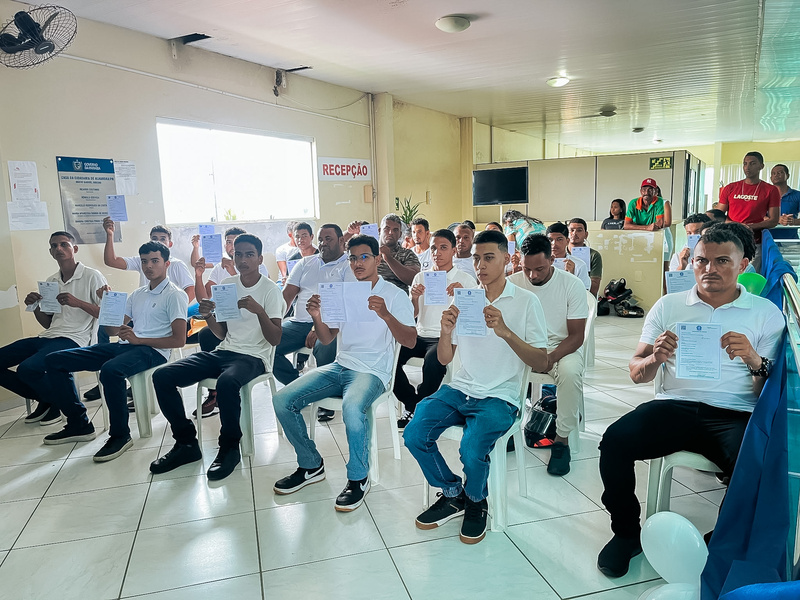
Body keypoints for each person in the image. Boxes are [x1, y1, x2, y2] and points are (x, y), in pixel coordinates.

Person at [595, 227, 784, 578]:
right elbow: (636, 373)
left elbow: (767, 392)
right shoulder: (669, 305)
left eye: (722, 261)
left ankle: (720, 543)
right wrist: (654, 358)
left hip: (734, 411)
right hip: (674, 405)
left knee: (756, 463)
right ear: (691, 262)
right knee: (615, 442)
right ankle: (626, 533)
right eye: (701, 260)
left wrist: (754, 360)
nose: (710, 269)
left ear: (743, 264)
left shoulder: (765, 313)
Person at [404, 230, 548, 544]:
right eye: (476, 258)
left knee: (471, 448)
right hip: (461, 388)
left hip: (500, 395)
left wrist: (505, 331)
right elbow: (445, 359)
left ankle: (476, 500)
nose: (480, 265)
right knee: (414, 433)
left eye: (488, 258)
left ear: (507, 259)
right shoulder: (465, 299)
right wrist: (445, 332)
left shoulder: (526, 301)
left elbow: (542, 361)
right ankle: (453, 493)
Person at [271, 234, 416, 511]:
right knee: (282, 400)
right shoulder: (345, 292)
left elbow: (409, 341)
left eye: (364, 257)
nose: (358, 263)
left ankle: (359, 478)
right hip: (341, 365)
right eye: (353, 258)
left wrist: (386, 315)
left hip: (372, 371)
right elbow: (327, 338)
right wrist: (316, 317)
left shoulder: (395, 295)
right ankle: (311, 465)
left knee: (352, 408)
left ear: (377, 259)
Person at [150, 234, 284, 480]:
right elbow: (221, 334)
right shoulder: (228, 285)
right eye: (238, 254)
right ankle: (186, 443)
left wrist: (259, 312)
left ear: (260, 259)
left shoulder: (270, 290)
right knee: (163, 375)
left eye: (249, 255)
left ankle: (229, 447)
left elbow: (275, 339)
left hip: (254, 357)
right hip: (225, 351)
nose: (243, 260)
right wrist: (208, 316)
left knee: (227, 382)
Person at [44, 242, 189, 462]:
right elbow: (112, 330)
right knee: (55, 360)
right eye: (144, 261)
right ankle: (78, 423)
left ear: (167, 264)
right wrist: (107, 304)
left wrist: (139, 339)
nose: (148, 266)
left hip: (153, 351)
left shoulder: (175, 295)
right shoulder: (138, 294)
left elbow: (179, 340)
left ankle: (120, 435)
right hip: (126, 346)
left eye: (155, 261)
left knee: (111, 371)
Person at [0, 232, 105, 426]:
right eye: (54, 246)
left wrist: (78, 303)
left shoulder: (92, 276)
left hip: (76, 338)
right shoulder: (51, 281)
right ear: (50, 252)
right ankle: (49, 399)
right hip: (49, 336)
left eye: (64, 244)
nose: (59, 248)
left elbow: (105, 314)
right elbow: (48, 324)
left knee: (28, 369)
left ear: (74, 249)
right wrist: (35, 307)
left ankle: (61, 406)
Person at [509, 234, 588, 476]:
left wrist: (549, 358)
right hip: (523, 346)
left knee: (570, 372)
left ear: (552, 260)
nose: (532, 275)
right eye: (527, 269)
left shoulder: (571, 285)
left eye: (539, 269)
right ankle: (507, 426)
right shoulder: (512, 283)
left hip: (560, 347)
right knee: (496, 365)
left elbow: (576, 336)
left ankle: (561, 440)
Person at [393, 228, 477, 428]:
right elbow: (412, 314)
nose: (437, 253)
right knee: (390, 357)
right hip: (420, 334)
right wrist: (414, 298)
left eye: (443, 248)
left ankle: (421, 407)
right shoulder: (421, 277)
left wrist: (463, 295)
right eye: (433, 248)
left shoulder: (465, 279)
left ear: (454, 251)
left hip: (445, 337)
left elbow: (472, 316)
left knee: (433, 361)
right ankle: (413, 404)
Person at [191, 226, 271, 418]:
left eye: (237, 243)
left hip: (252, 334)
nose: (233, 247)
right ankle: (214, 394)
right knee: (205, 334)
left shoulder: (258, 268)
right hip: (227, 324)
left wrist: (232, 270)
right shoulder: (218, 269)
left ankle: (228, 389)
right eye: (229, 242)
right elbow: (204, 299)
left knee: (231, 369)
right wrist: (199, 275)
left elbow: (261, 296)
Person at [273, 224, 355, 409]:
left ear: (341, 240)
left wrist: (317, 327)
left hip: (332, 324)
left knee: (324, 347)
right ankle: (300, 388)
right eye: (321, 240)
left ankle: (328, 400)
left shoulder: (349, 266)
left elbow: (348, 304)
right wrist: (273, 322)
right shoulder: (305, 263)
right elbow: (286, 297)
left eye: (328, 239)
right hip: (299, 323)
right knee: (269, 343)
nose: (323, 243)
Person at [103, 219, 195, 303]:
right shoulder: (141, 260)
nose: (158, 242)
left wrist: (177, 308)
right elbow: (111, 261)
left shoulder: (177, 264)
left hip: (166, 311)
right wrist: (110, 235)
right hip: (145, 309)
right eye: (154, 239)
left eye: (163, 239)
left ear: (170, 244)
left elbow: (191, 290)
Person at [718, 151, 780, 270]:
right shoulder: (730, 188)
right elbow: (719, 215)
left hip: (754, 242)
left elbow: (774, 220)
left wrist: (750, 227)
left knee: (749, 275)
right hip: (729, 240)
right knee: (727, 274)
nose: (747, 167)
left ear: (761, 166)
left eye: (752, 163)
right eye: (745, 164)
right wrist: (735, 225)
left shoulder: (771, 190)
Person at [375, 213, 421, 293]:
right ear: (379, 231)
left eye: (395, 230)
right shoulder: (370, 253)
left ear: (400, 234)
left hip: (398, 297)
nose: (390, 232)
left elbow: (414, 279)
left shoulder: (407, 254)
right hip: (372, 296)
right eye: (387, 228)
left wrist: (389, 258)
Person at [546, 222, 591, 290]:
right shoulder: (540, 264)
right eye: (550, 240)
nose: (554, 244)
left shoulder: (579, 265)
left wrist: (571, 276)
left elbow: (585, 292)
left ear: (567, 241)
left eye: (559, 239)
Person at [567, 218, 603, 296]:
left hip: (586, 297)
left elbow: (594, 288)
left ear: (586, 235)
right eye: (571, 230)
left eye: (579, 230)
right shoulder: (560, 254)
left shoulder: (594, 255)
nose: (574, 233)